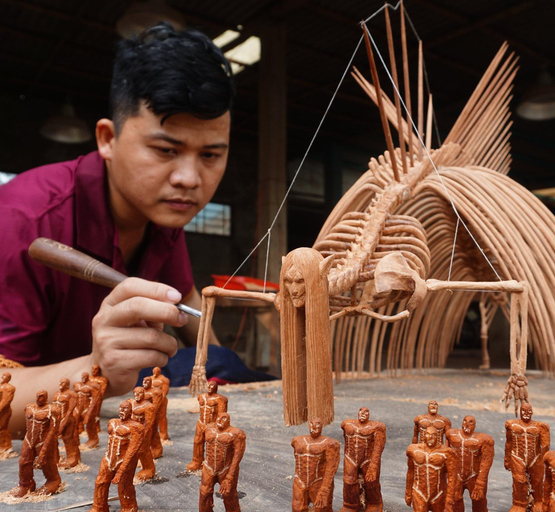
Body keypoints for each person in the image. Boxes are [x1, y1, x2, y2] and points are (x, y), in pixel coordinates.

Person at [0, 22, 234, 435]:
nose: (188, 178)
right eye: (166, 150)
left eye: (211, 154)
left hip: (110, 409)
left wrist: (215, 365)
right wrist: (95, 368)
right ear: (107, 139)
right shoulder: (22, 221)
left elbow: (188, 297)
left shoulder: (162, 212)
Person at [291, 417, 340, 512]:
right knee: (297, 507)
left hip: (318, 481)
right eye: (311, 423)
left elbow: (331, 467)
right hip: (300, 480)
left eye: (317, 424)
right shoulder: (297, 440)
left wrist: (324, 490)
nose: (314, 427)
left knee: (321, 508)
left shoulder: (329, 443)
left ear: (322, 426)